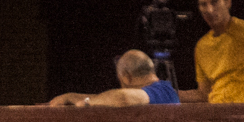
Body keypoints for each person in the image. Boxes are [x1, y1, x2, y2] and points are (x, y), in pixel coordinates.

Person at [48, 50, 180, 107]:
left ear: (127, 77)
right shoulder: (161, 89)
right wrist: (71, 97)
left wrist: (87, 103)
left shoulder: (163, 90)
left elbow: (123, 97)